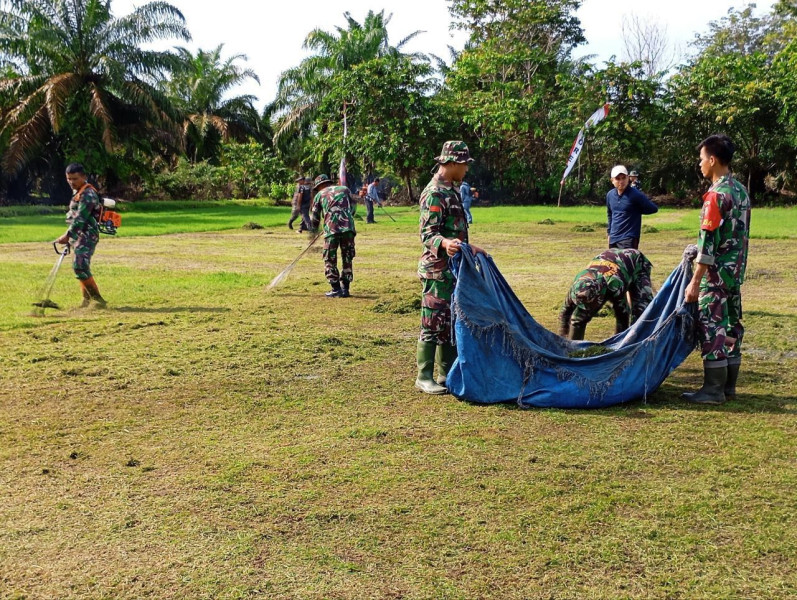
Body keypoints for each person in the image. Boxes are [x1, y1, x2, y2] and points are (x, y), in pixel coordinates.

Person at [682, 134, 751, 405]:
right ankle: (728, 388)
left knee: (712, 328)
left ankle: (712, 390)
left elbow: (708, 243)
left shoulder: (715, 196)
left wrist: (695, 282)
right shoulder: (740, 191)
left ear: (712, 160)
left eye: (701, 159)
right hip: (734, 274)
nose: (699, 165)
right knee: (732, 326)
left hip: (715, 276)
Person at [416, 141, 486, 395]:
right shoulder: (435, 192)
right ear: (453, 163)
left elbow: (453, 230)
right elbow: (427, 233)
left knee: (448, 321)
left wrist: (470, 247)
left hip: (452, 268)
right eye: (465, 164)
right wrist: (445, 243)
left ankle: (447, 372)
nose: (467, 169)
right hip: (437, 270)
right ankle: (424, 376)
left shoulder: (451, 189)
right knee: (432, 320)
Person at [558, 248, 653, 341]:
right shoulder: (577, 285)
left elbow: (622, 314)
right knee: (578, 318)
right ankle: (574, 348)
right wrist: (562, 338)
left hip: (636, 263)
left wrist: (619, 342)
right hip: (608, 260)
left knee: (641, 309)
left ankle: (638, 343)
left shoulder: (614, 284)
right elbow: (565, 311)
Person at [54, 163, 107, 308]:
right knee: (80, 266)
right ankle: (87, 300)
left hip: (88, 234)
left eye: (75, 179)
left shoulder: (88, 194)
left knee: (80, 265)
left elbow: (81, 218)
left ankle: (97, 299)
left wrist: (67, 235)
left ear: (84, 177)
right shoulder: (78, 191)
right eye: (69, 179)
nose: (71, 182)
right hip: (79, 234)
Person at [309, 174, 357, 298]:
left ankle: (336, 289)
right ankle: (345, 289)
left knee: (330, 258)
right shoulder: (345, 189)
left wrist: (314, 231)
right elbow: (353, 208)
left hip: (331, 231)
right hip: (348, 229)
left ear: (319, 186)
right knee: (347, 257)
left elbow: (314, 218)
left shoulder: (319, 195)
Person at [606, 165, 658, 249]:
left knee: (627, 262)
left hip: (629, 238)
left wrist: (636, 210)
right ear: (612, 180)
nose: (621, 181)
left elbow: (653, 208)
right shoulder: (610, 195)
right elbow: (610, 214)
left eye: (623, 178)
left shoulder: (635, 194)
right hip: (614, 238)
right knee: (613, 262)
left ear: (628, 178)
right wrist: (609, 234)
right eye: (618, 179)